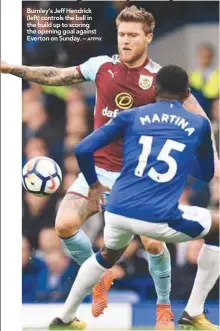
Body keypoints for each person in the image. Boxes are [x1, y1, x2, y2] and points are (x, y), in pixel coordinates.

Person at [1, 5, 219, 330]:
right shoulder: (101, 66)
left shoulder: (159, 78)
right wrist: (13, 69)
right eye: (121, 35)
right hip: (98, 172)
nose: (125, 41)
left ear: (148, 37)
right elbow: (57, 76)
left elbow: (197, 115)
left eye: (132, 35)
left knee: (154, 244)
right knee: (63, 225)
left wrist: (214, 160)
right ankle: (99, 278)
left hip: (136, 177)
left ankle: (163, 308)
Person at [54, 65, 219, 331]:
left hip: (117, 212)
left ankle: (65, 317)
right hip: (158, 218)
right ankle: (193, 311)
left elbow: (83, 148)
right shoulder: (198, 124)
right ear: (187, 92)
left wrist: (94, 186)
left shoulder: (132, 116)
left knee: (106, 255)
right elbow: (205, 173)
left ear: (154, 90)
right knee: (217, 228)